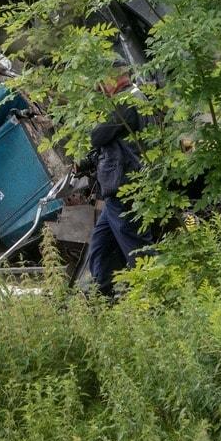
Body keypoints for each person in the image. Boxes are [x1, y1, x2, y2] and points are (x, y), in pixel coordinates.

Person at [85, 75, 154, 297]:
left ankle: (153, 294)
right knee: (100, 243)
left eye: (102, 82)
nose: (101, 87)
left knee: (135, 245)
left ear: (116, 78)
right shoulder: (134, 97)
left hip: (125, 186)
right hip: (122, 187)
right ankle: (100, 294)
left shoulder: (127, 101)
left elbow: (97, 135)